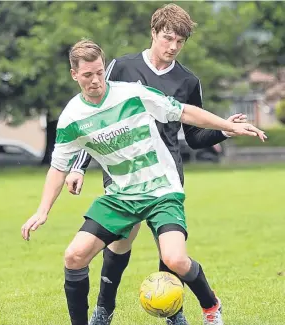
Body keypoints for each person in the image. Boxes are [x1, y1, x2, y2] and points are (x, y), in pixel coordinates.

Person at [21, 40, 266, 325]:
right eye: (88, 75)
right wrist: (42, 210)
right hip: (121, 196)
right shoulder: (72, 118)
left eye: (100, 72)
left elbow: (184, 111)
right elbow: (57, 167)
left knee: (175, 259)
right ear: (74, 75)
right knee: (74, 256)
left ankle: (211, 306)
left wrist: (229, 126)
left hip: (161, 189)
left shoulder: (132, 94)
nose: (96, 80)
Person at [65, 4, 246, 325]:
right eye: (168, 38)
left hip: (165, 177)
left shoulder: (188, 80)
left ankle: (173, 313)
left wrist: (225, 128)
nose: (173, 46)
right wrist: (78, 165)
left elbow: (193, 137)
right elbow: (95, 117)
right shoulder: (121, 67)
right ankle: (104, 309)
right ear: (154, 33)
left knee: (170, 252)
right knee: (119, 245)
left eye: (180, 41)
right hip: (123, 176)